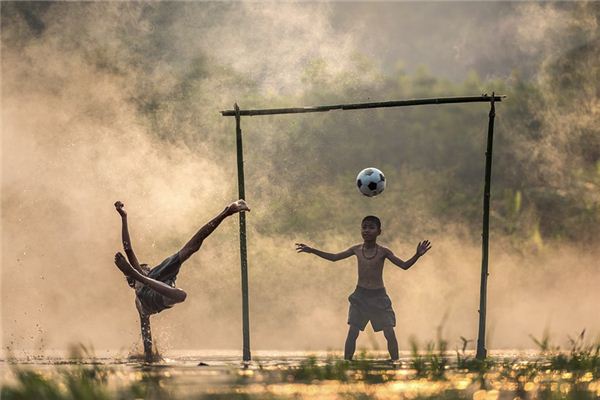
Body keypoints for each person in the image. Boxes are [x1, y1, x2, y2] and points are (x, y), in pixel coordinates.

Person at [113, 199, 250, 362]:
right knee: (180, 293)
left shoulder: (152, 277)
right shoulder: (141, 288)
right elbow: (128, 249)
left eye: (146, 268)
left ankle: (226, 212)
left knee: (188, 254)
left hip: (158, 285)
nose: (147, 266)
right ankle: (226, 212)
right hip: (155, 291)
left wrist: (124, 217)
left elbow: (128, 248)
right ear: (131, 281)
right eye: (144, 267)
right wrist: (148, 354)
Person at [295, 215, 431, 361]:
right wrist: (312, 250)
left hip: (379, 297)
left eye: (371, 227)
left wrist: (417, 255)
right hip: (360, 297)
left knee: (389, 332)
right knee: (353, 332)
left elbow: (404, 266)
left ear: (379, 232)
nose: (367, 230)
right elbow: (334, 257)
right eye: (364, 227)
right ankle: (347, 363)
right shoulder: (356, 249)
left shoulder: (384, 251)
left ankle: (395, 363)